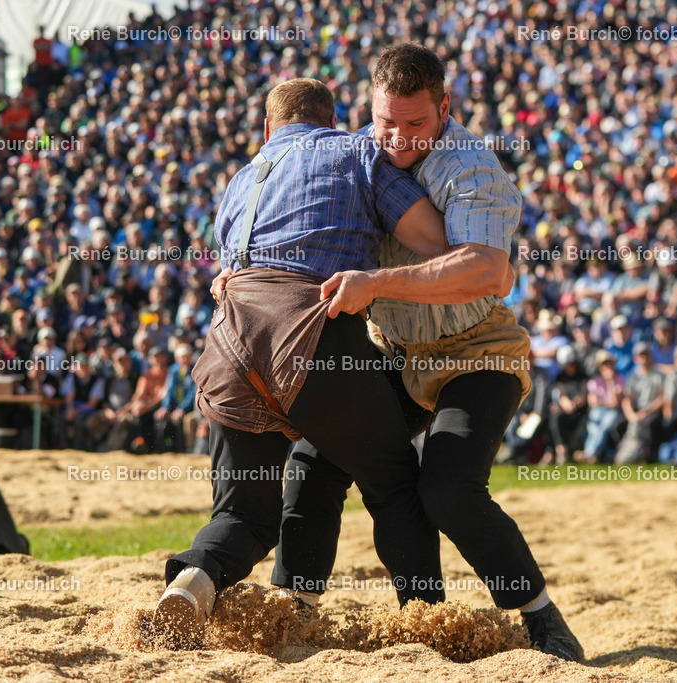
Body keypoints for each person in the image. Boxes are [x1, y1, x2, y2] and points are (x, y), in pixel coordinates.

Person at [260, 45, 582, 661]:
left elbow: (488, 271)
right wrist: (242, 269)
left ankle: (540, 616)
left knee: (449, 490)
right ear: (369, 107)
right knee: (312, 463)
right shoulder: (353, 153)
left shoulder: (473, 167)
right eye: (386, 123)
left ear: (445, 108)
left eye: (415, 124)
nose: (399, 139)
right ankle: (298, 611)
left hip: (477, 350)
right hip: (394, 346)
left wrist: (376, 283)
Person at [154, 77, 451, 646]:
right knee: (392, 483)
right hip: (311, 331)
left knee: (243, 516)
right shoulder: (357, 150)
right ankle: (427, 620)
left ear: (268, 130)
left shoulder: (240, 181)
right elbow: (436, 242)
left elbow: (227, 277)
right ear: (331, 119)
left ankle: (194, 580)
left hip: (227, 349)